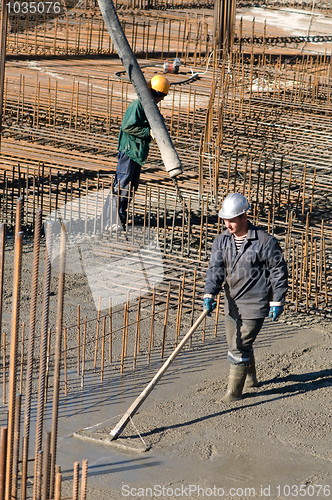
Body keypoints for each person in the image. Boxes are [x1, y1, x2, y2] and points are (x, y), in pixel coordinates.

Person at [203, 193, 288, 402]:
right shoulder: (221, 241)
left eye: (232, 220)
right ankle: (251, 380)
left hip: (255, 303)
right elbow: (215, 270)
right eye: (225, 220)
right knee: (235, 342)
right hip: (232, 303)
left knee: (238, 347)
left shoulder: (265, 242)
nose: (228, 224)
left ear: (244, 216)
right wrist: (209, 293)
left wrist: (277, 300)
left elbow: (278, 271)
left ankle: (233, 393)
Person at [103, 74, 171, 230]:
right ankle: (111, 221)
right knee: (122, 185)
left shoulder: (150, 105)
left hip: (137, 153)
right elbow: (128, 126)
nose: (159, 99)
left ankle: (120, 217)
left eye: (161, 96)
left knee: (131, 186)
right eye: (158, 95)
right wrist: (148, 132)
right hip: (129, 151)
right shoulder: (138, 105)